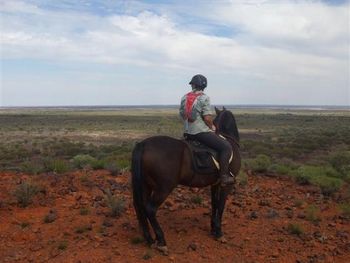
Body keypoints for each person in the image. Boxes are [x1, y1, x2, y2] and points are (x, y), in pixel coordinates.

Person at [179, 74, 234, 186]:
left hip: (187, 133)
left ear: (193, 85)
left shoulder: (184, 97)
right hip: (200, 133)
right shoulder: (204, 98)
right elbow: (207, 118)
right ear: (204, 86)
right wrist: (212, 127)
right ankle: (224, 176)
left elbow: (181, 114)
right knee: (226, 147)